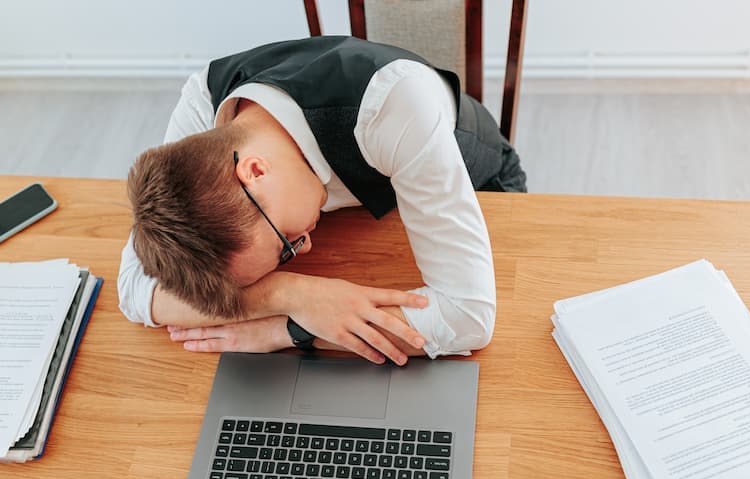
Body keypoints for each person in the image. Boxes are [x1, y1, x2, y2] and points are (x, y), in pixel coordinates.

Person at [118, 35, 526, 366]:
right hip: (369, 220)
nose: (305, 248)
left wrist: (287, 331)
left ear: (256, 172)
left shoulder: (393, 105)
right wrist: (291, 295)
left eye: (284, 246)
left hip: (484, 185)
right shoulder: (201, 117)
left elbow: (469, 317)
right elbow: (133, 289)